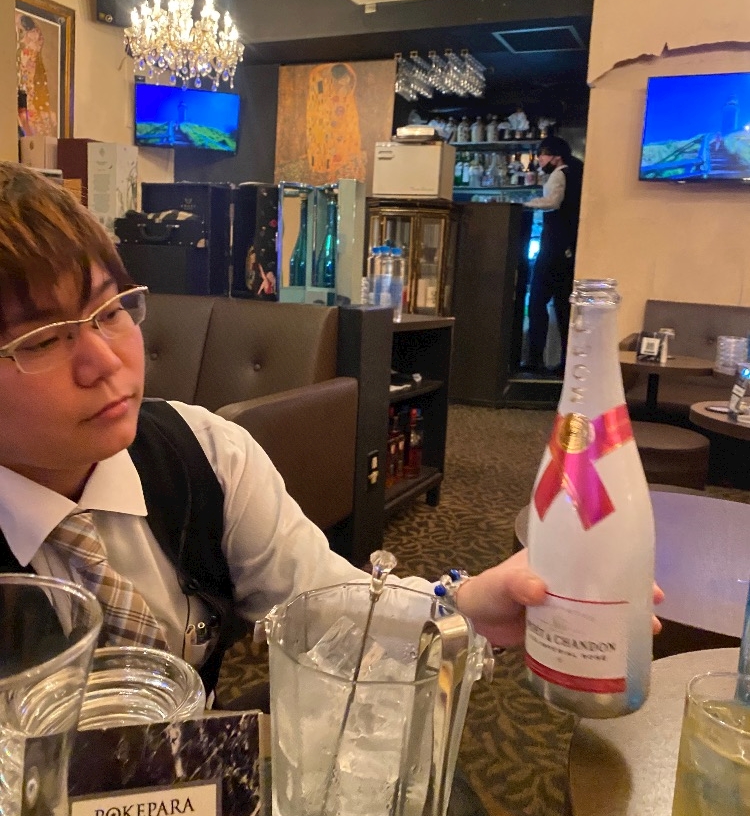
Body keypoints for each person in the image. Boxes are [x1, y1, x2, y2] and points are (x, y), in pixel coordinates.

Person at [0, 162, 563, 701]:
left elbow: (324, 603)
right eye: (42, 341)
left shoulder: (204, 451)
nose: (104, 361)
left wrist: (467, 605)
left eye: (110, 312)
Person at [521, 135, 584, 375]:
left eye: (543, 155)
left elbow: (553, 202)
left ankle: (534, 359)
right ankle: (566, 363)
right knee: (563, 307)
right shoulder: (576, 173)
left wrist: (526, 205)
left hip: (552, 247)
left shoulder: (559, 174)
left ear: (556, 156)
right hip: (567, 248)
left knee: (537, 301)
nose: (539, 159)